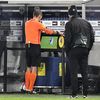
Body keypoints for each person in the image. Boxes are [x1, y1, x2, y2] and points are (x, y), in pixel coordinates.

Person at [22, 7, 61, 93]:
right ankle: (30, 88)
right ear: (39, 16)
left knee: (28, 67)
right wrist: (58, 33)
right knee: (34, 67)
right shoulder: (38, 23)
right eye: (41, 17)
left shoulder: (27, 23)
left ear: (33, 15)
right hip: (35, 46)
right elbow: (48, 31)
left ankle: (27, 87)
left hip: (27, 46)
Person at [64, 5, 94, 98]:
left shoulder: (69, 23)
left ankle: (74, 95)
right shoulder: (87, 23)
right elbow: (92, 37)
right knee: (84, 72)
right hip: (85, 50)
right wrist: (88, 49)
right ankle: (85, 94)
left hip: (74, 50)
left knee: (74, 73)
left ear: (69, 14)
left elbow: (68, 39)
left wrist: (67, 51)